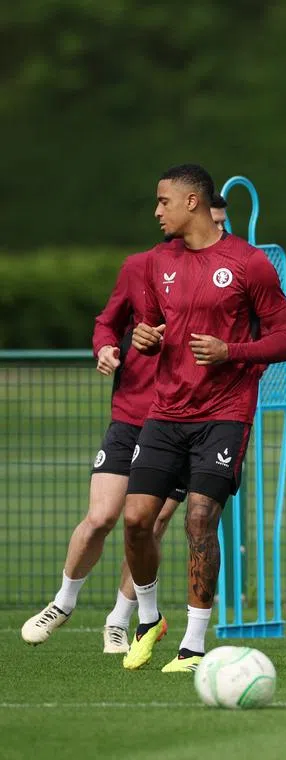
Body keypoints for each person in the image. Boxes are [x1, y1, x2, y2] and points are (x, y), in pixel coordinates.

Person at [121, 163, 286, 672]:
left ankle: (194, 645)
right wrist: (144, 337)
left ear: (192, 203)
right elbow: (152, 325)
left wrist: (232, 352)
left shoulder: (248, 263)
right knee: (135, 521)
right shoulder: (158, 262)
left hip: (224, 413)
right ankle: (150, 618)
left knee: (201, 519)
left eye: (163, 202)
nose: (157, 211)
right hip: (166, 410)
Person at [21, 244, 187, 654]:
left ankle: (119, 620)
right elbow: (106, 323)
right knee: (100, 517)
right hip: (130, 416)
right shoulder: (139, 267)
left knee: (150, 522)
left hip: (178, 421)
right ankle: (62, 602)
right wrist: (105, 349)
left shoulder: (219, 272)